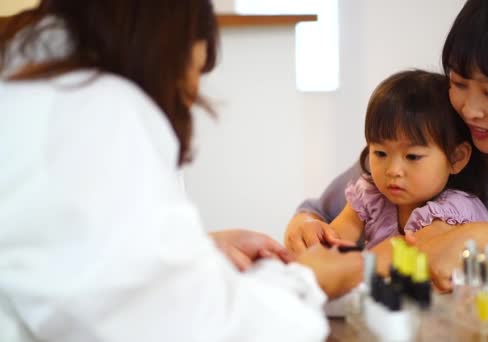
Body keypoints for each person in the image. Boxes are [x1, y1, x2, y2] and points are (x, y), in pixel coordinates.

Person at [0, 1, 363, 341]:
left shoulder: (36, 90)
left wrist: (197, 250)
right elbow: (190, 325)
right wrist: (310, 280)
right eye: (185, 88)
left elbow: (86, 257)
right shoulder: (93, 113)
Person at [285, 0, 488, 292]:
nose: (470, 109)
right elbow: (318, 212)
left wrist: (480, 237)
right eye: (458, 83)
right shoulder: (439, 134)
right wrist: (306, 228)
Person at [324, 70, 488, 272]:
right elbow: (335, 241)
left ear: (456, 158)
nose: (393, 171)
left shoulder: (455, 210)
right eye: (380, 153)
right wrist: (321, 240)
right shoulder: (371, 195)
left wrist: (340, 269)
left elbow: (405, 253)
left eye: (412, 156)